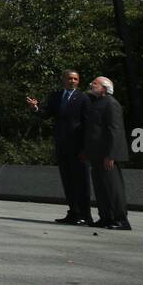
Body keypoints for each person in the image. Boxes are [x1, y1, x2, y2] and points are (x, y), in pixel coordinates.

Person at [26, 70, 93, 225]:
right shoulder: (56, 96)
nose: (73, 81)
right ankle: (73, 212)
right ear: (63, 79)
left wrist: (86, 148)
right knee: (67, 180)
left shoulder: (83, 98)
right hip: (62, 145)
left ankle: (84, 215)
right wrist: (35, 108)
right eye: (70, 78)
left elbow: (88, 124)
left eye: (76, 79)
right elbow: (46, 114)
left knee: (81, 181)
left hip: (78, 147)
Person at [83, 76, 131, 230]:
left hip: (106, 155)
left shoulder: (111, 103)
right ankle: (105, 217)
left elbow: (115, 130)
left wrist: (111, 155)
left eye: (95, 83)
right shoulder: (97, 103)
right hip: (96, 154)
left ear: (104, 87)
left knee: (113, 187)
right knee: (100, 187)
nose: (91, 85)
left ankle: (121, 219)